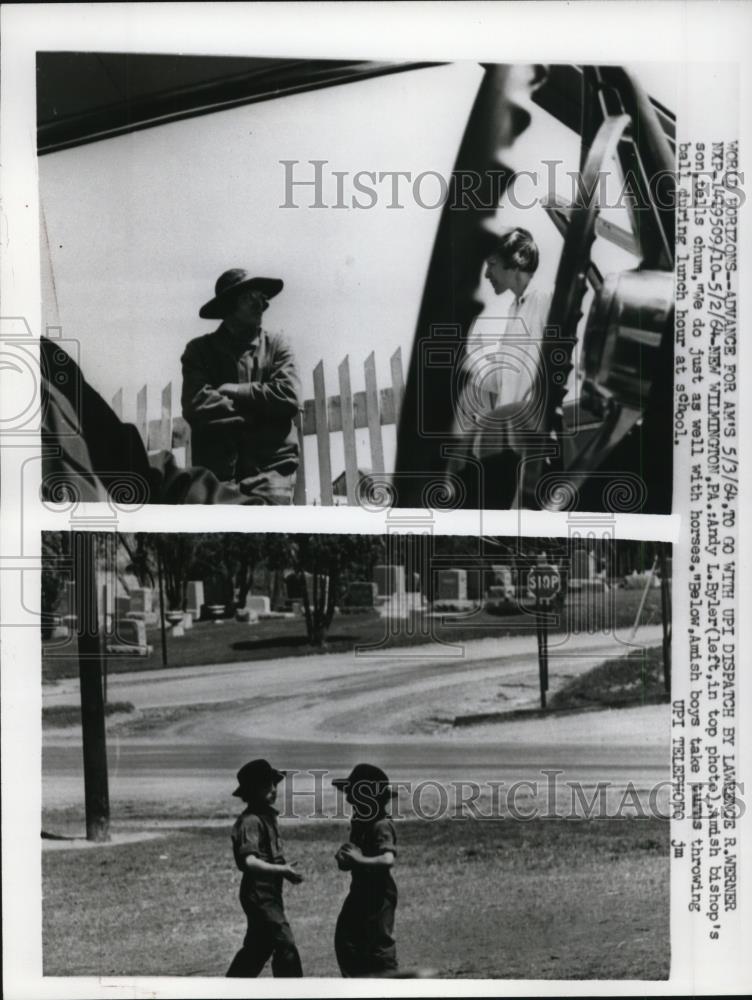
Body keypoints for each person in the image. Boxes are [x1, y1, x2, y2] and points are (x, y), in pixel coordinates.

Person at [181, 269, 301, 504]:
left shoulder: (278, 346)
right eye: (251, 298)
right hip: (216, 478)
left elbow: (288, 396)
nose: (262, 304)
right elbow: (197, 404)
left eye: (262, 298)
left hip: (272, 474)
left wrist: (232, 390)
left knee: (265, 537)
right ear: (228, 306)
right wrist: (263, 411)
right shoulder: (199, 352)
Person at [457, 228, 554, 508]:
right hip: (512, 439)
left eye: (492, 265)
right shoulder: (516, 308)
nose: (487, 274)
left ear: (517, 261)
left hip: (531, 438)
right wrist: (462, 360)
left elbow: (561, 363)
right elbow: (500, 380)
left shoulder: (543, 300)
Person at [227, 758, 304, 978]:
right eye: (265, 785)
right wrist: (283, 871)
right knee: (285, 944)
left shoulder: (267, 817)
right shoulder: (250, 821)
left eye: (274, 784)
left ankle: (229, 989)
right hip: (258, 894)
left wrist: (284, 872)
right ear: (251, 791)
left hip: (269, 893)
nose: (273, 790)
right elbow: (250, 862)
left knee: (258, 947)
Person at [332, 763, 399, 978]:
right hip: (361, 891)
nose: (349, 799)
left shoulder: (380, 825)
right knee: (348, 940)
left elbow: (387, 859)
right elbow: (356, 858)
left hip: (379, 894)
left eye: (355, 794)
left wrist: (359, 860)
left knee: (379, 947)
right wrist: (347, 860)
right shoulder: (361, 823)